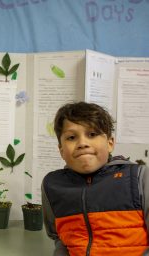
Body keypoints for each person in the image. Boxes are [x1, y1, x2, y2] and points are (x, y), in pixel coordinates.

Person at [41, 101, 149, 256]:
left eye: (92, 134)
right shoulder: (52, 185)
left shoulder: (139, 177)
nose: (82, 143)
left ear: (110, 143)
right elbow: (59, 237)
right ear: (61, 150)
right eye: (71, 137)